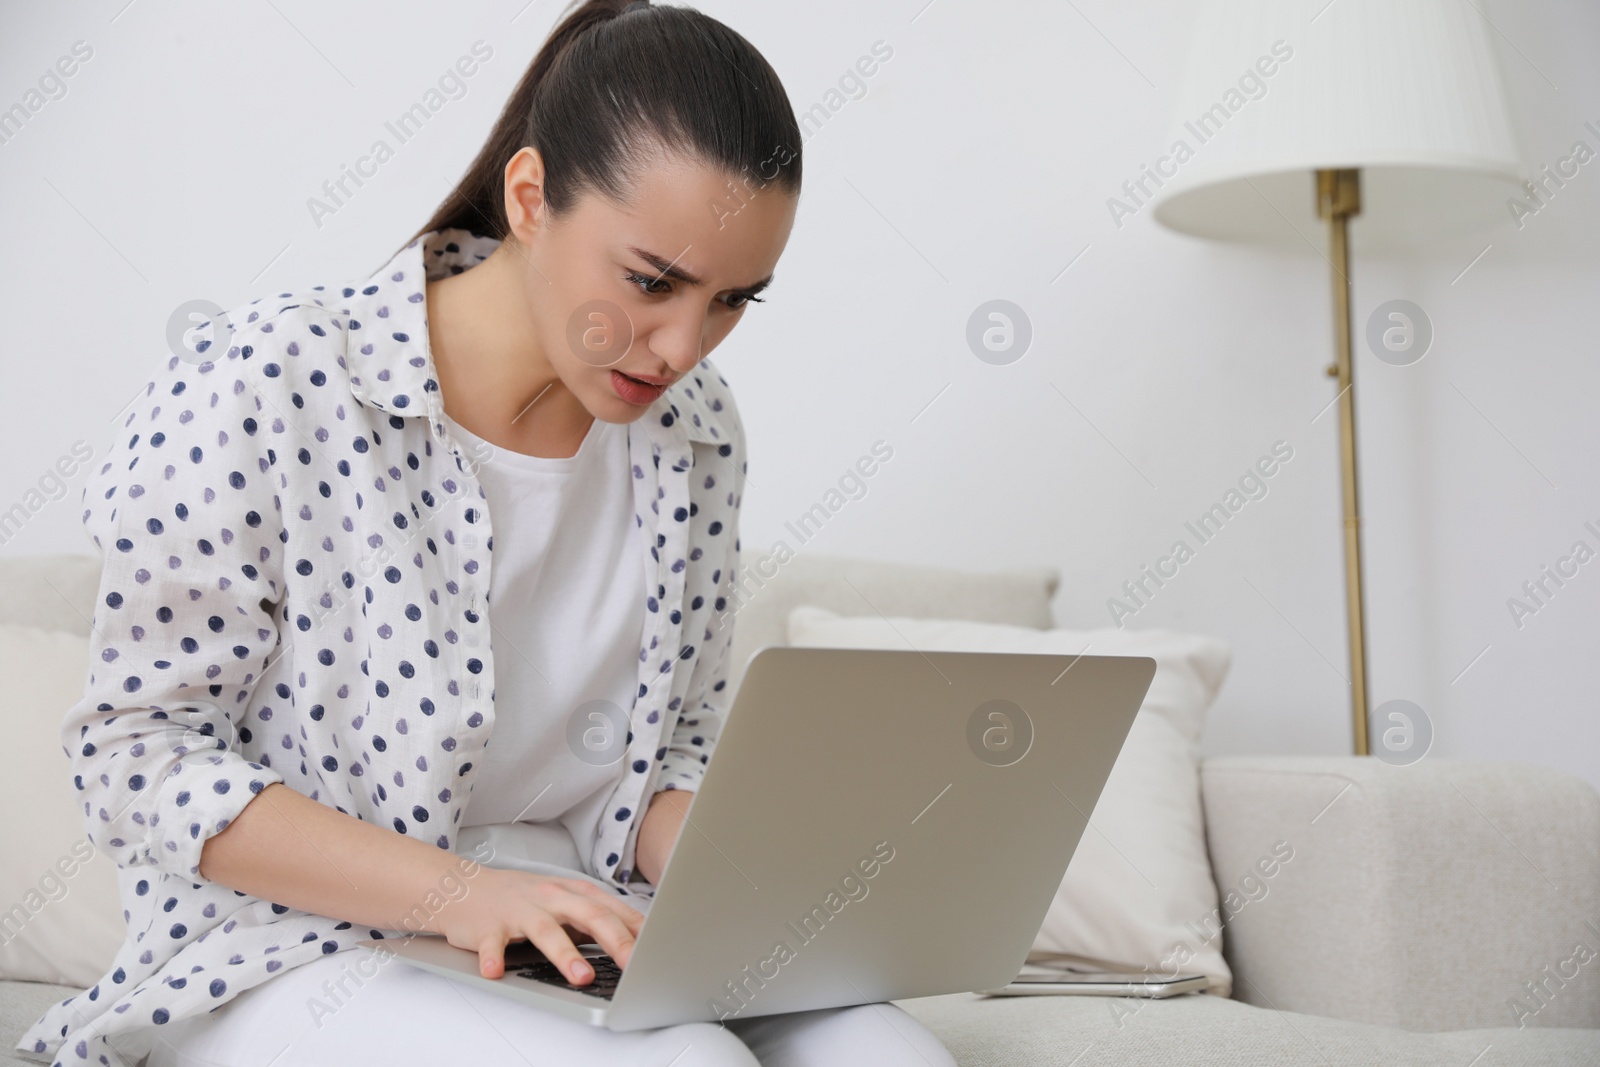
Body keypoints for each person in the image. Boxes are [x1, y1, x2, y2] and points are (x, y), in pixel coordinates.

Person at [16, 1, 956, 1064]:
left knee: (894, 1055)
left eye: (735, 299)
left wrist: (752, 874)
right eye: (652, 281)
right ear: (529, 197)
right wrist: (461, 891)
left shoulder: (694, 433)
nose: (684, 345)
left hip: (584, 922)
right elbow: (135, 756)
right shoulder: (273, 381)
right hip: (291, 952)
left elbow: (669, 750)